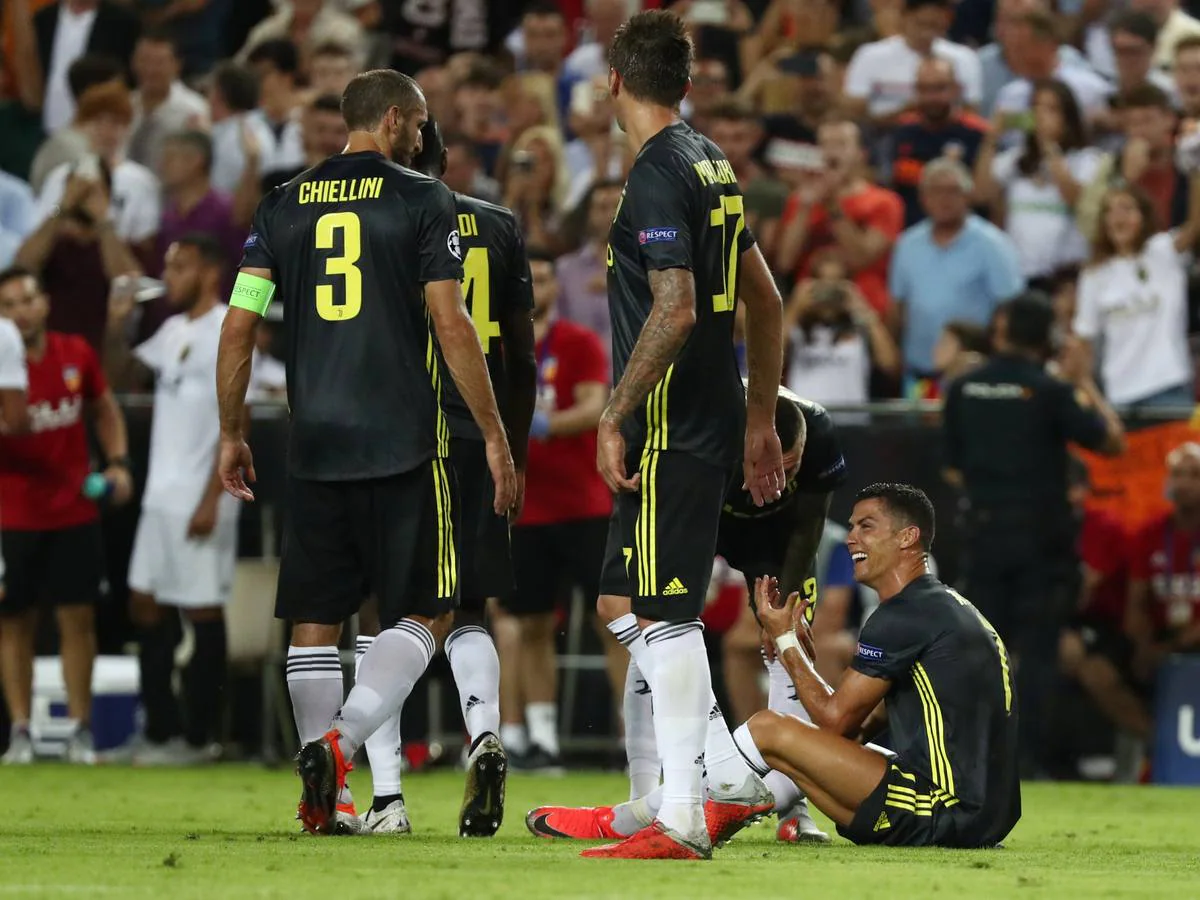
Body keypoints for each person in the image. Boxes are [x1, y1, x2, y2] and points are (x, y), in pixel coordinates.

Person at [214, 69, 516, 836]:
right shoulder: (422, 198)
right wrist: (492, 432)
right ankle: (340, 750)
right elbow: (452, 324)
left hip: (313, 440)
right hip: (401, 440)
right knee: (426, 607)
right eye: (416, 125)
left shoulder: (281, 207)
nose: (422, 138)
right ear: (391, 121)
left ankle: (330, 802)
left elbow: (241, 322)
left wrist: (231, 429)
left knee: (315, 615)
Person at [536, 10, 786, 862]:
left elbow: (675, 306)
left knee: (664, 611)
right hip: (713, 412)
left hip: (671, 422)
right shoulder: (711, 163)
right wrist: (757, 417)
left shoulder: (652, 173)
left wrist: (613, 412)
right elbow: (767, 298)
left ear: (612, 82)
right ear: (685, 84)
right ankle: (695, 777)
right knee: (621, 601)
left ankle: (685, 811)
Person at [527, 387, 847, 846]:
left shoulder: (818, 430)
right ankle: (649, 793)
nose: (778, 481)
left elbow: (810, 520)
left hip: (773, 535)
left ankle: (788, 804)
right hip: (686, 505)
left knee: (790, 638)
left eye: (789, 470)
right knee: (635, 612)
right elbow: (633, 495)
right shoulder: (689, 429)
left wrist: (784, 602)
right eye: (770, 466)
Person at [350, 117, 536, 837]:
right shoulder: (497, 225)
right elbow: (520, 352)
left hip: (403, 437)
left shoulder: (386, 225)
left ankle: (388, 798)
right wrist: (508, 447)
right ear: (446, 160)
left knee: (383, 608)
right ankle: (485, 733)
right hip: (479, 434)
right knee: (471, 603)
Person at [735, 483, 1021, 849]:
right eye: (851, 527)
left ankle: (688, 809)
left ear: (907, 537)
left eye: (866, 527)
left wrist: (785, 639)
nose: (851, 538)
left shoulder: (903, 615)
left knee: (768, 729)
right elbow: (853, 730)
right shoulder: (951, 609)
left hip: (940, 810)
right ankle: (747, 806)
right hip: (985, 818)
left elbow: (834, 719)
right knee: (792, 751)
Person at [942, 292, 1125, 776]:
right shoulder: (1050, 391)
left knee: (981, 650)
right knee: (1040, 651)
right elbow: (1112, 441)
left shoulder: (964, 388)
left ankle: (971, 759)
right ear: (1047, 337)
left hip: (983, 535)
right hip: (1042, 543)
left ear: (1000, 327)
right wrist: (1083, 380)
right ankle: (1028, 762)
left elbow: (953, 469)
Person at [102, 234, 239, 765]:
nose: (169, 276)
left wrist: (213, 498)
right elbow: (119, 377)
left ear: (209, 272)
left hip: (202, 495)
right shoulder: (173, 330)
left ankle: (201, 737)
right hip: (161, 495)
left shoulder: (227, 329)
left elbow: (240, 420)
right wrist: (117, 323)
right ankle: (159, 731)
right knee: (144, 603)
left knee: (203, 609)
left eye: (179, 267)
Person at [0, 265, 133, 765]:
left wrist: (117, 461)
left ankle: (80, 730)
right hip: (12, 511)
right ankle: (19, 731)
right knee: (13, 623)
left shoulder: (75, 353)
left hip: (73, 508)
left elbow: (104, 408)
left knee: (78, 619)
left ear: (45, 303)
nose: (20, 312)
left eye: (27, 300)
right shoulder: (3, 362)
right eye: (8, 304)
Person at [496, 249, 613, 772]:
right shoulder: (500, 346)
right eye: (530, 278)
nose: (538, 286)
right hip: (529, 509)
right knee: (534, 625)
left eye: (545, 277)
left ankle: (633, 737)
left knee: (613, 619)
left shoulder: (577, 342)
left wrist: (540, 424)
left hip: (585, 502)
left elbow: (595, 404)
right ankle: (541, 739)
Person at [889, 157, 1023, 395]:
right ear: (923, 198)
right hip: (918, 374)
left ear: (968, 196)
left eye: (953, 191)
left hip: (975, 375)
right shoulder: (907, 244)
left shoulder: (993, 244)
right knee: (914, 433)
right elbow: (898, 307)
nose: (944, 199)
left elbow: (1010, 309)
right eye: (936, 191)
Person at [1074, 181, 1199, 409]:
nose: (1117, 217)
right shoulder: (1094, 274)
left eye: (1126, 208)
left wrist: (1196, 171)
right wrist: (1092, 395)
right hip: (1118, 396)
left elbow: (1195, 224)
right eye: (1109, 211)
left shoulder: (1163, 252)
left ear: (1144, 216)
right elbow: (1083, 340)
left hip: (1167, 387)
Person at [975, 79, 1103, 283]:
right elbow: (981, 193)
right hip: (1020, 271)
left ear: (1067, 118)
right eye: (1036, 107)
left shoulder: (1086, 160)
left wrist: (1048, 146)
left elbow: (1074, 198)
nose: (1041, 115)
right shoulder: (1016, 159)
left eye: (1051, 109)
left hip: (1064, 273)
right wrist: (991, 139)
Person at [1125, 442, 1200, 693]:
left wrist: (1175, 645)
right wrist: (1143, 645)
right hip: (1162, 639)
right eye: (1178, 474)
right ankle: (1149, 732)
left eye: (1195, 475)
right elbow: (1136, 604)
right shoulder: (1149, 534)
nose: (1184, 483)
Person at [842, 0, 982, 126]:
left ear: (946, 21)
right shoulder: (870, 56)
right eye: (920, 24)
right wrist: (906, 112)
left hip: (946, 133)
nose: (926, 33)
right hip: (883, 134)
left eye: (934, 25)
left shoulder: (964, 58)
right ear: (904, 17)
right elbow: (854, 114)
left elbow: (971, 113)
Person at [889, 57, 989, 227]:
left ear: (956, 89)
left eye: (939, 88)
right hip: (912, 235)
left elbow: (984, 197)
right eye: (924, 89)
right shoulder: (902, 132)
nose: (931, 97)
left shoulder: (979, 134)